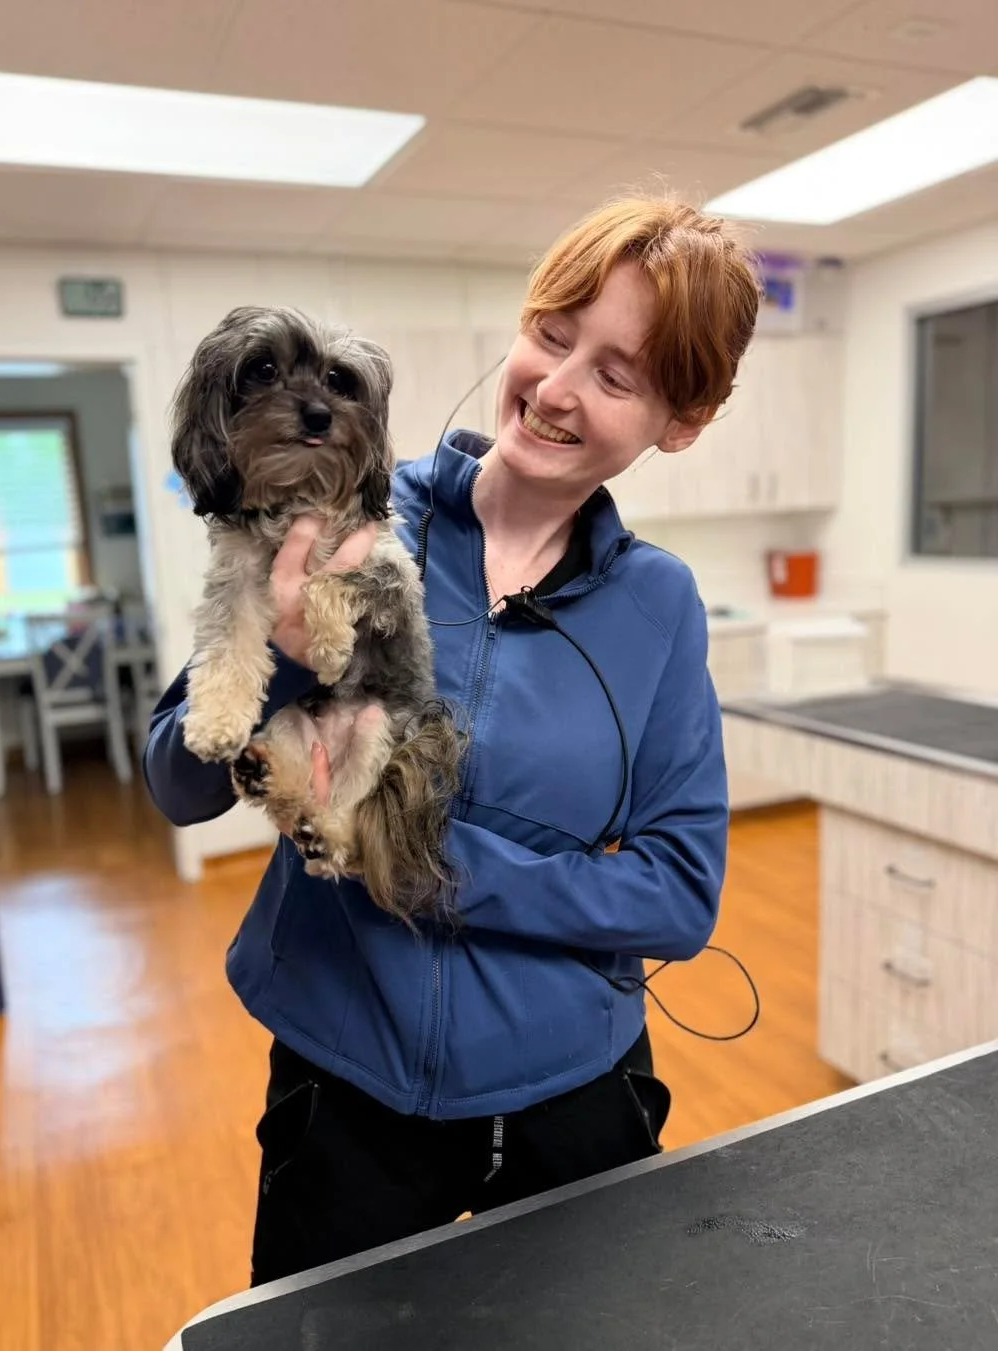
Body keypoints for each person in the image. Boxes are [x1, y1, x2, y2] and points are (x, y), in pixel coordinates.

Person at [144, 194, 761, 1286]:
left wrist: (428, 872)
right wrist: (289, 648)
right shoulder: (352, 516)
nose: (558, 389)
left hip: (578, 1100)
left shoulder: (658, 605)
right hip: (346, 1099)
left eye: (617, 375)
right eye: (552, 336)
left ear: (681, 420)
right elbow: (178, 786)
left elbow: (676, 895)